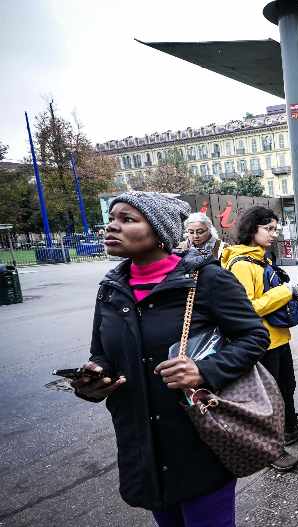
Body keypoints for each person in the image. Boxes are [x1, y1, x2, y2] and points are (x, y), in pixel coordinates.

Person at [72, 191, 270, 527]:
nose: (111, 226)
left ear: (160, 232)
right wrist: (96, 377)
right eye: (112, 218)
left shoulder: (207, 280)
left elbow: (254, 336)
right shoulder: (111, 288)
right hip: (142, 443)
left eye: (127, 219)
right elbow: (102, 353)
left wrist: (203, 371)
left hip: (199, 437)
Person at [221, 206, 298, 472]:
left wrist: (289, 292)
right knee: (268, 399)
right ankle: (271, 449)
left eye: (275, 229)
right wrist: (286, 292)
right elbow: (248, 307)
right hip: (260, 343)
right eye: (269, 229)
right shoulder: (241, 264)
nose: (274, 234)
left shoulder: (261, 258)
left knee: (286, 387)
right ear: (252, 229)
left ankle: (289, 429)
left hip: (277, 338)